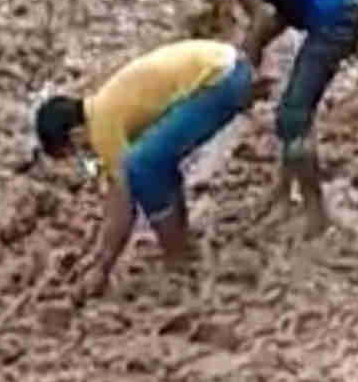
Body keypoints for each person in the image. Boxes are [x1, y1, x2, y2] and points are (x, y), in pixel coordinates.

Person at [172, 0, 358, 237]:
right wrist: (245, 55)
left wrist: (244, 65)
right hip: (339, 12)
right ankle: (283, 192)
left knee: (292, 116)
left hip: (335, 21)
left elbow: (259, 17)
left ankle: (316, 214)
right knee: (294, 113)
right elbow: (281, 15)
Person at [32, 39, 257, 300]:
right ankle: (180, 246)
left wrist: (102, 267)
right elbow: (114, 196)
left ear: (75, 134)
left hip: (222, 82)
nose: (82, 157)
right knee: (153, 160)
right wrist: (96, 254)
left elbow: (124, 202)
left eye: (73, 152)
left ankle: (177, 262)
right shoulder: (103, 108)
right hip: (228, 68)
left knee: (143, 167)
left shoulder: (102, 126)